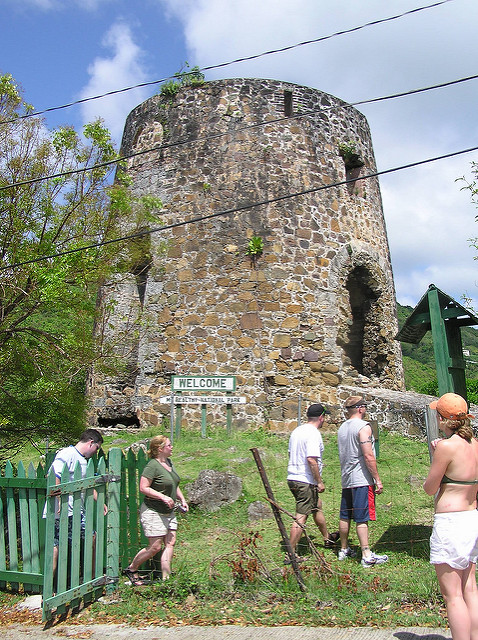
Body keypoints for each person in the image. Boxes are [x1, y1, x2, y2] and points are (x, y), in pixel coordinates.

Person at [423, 392, 478, 640]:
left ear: (442, 419)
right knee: (470, 589)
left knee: (452, 595)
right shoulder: (475, 445)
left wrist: (437, 454)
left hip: (450, 522)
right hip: (471, 516)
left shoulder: (445, 447)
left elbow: (430, 488)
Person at [123, 435, 188, 584]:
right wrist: (163, 497)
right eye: (169, 445)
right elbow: (143, 487)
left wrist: (182, 499)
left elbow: (174, 484)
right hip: (153, 510)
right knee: (155, 547)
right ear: (160, 449)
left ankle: (166, 577)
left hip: (169, 511)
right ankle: (132, 569)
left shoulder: (169, 463)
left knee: (170, 543)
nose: (172, 447)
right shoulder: (152, 466)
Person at [337, 396, 388, 568]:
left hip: (346, 478)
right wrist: (377, 479)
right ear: (360, 408)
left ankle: (343, 549)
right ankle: (366, 553)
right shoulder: (363, 427)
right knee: (362, 517)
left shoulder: (342, 428)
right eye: (364, 406)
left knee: (345, 515)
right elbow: (368, 455)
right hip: (361, 478)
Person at [46, 428, 105, 573]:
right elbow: (53, 475)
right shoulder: (68, 454)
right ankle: (50, 587)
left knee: (65, 543)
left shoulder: (81, 460)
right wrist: (59, 499)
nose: (95, 453)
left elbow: (85, 484)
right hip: (65, 509)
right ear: (91, 443)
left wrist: (100, 501)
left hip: (75, 509)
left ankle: (89, 579)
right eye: (96, 448)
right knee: (57, 545)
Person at [286, 403, 339, 563]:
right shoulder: (313, 434)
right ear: (321, 417)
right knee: (301, 515)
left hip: (293, 477)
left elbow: (290, 453)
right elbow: (311, 459)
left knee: (317, 506)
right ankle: (291, 553)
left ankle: (327, 539)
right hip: (305, 480)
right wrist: (319, 481)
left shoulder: (297, 431)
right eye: (325, 417)